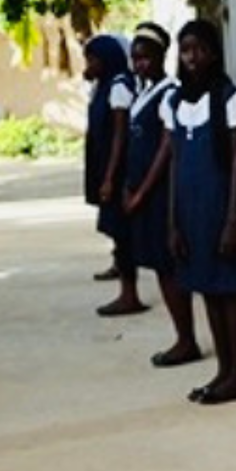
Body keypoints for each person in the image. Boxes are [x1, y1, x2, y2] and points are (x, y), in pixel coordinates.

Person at [166, 20, 236, 404]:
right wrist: (173, 222)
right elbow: (174, 162)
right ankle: (223, 370)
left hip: (220, 208)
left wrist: (234, 218)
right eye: (186, 50)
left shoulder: (229, 99)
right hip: (190, 211)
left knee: (228, 290)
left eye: (200, 49)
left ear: (214, 53)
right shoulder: (175, 104)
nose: (193, 57)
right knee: (206, 288)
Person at [122, 23, 200, 367]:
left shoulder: (169, 94)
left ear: (161, 57)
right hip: (141, 191)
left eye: (146, 57)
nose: (140, 64)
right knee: (158, 266)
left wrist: (142, 192)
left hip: (159, 193)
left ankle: (186, 339)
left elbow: (166, 148)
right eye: (135, 58)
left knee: (169, 268)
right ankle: (181, 335)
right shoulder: (144, 92)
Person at [87, 35, 144, 313]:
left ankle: (129, 294)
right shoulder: (103, 84)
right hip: (106, 166)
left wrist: (110, 177)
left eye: (92, 60)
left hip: (118, 171)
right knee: (117, 231)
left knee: (123, 234)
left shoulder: (119, 86)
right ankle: (123, 280)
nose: (89, 65)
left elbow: (120, 135)